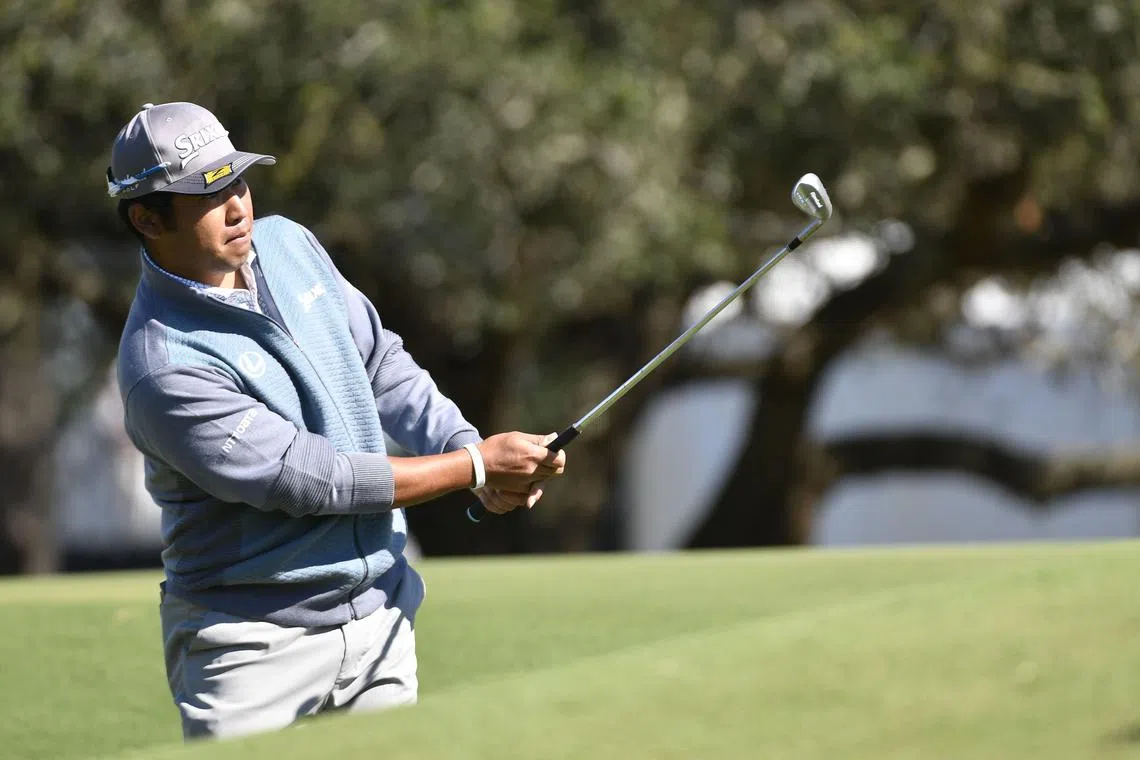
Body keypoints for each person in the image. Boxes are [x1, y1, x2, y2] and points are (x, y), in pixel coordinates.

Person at [107, 101, 566, 741]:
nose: (239, 205)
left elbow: (379, 361)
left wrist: (461, 443)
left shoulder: (289, 243)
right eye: (208, 195)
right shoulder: (162, 364)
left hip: (380, 618)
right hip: (251, 647)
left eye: (238, 178)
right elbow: (317, 482)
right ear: (147, 218)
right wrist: (477, 466)